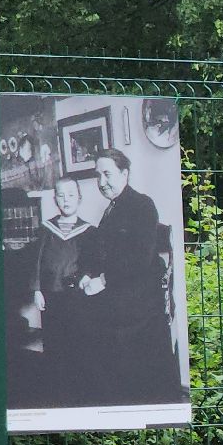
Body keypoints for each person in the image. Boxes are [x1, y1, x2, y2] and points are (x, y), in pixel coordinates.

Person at [76, 149, 179, 403]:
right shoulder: (112, 209)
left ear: (125, 173)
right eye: (97, 175)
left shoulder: (142, 205)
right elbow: (102, 253)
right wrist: (86, 275)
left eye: (107, 174)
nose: (101, 182)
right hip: (120, 298)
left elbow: (139, 259)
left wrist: (102, 281)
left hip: (140, 307)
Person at [33, 177, 93, 370]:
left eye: (71, 195)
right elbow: (35, 261)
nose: (66, 200)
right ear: (55, 200)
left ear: (79, 198)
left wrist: (87, 275)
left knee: (77, 342)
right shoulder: (45, 229)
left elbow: (92, 262)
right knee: (52, 341)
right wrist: (36, 290)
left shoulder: (89, 231)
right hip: (51, 295)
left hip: (77, 297)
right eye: (61, 195)